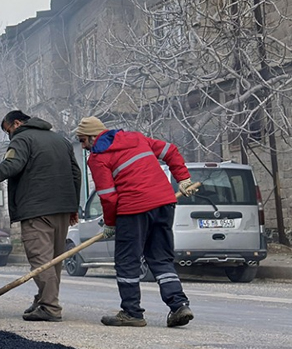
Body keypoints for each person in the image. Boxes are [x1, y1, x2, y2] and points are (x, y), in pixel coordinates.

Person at [74, 116, 200, 328]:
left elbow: (108, 196)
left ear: (94, 137)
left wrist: (111, 224)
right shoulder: (136, 138)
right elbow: (170, 151)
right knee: (160, 258)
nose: (83, 146)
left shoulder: (98, 158)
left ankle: (132, 313)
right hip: (164, 204)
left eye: (83, 140)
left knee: (127, 261)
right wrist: (183, 178)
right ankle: (178, 305)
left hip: (133, 210)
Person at [0, 109, 82, 322]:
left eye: (8, 131)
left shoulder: (22, 139)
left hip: (36, 210)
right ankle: (44, 300)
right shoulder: (60, 140)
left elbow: (11, 165)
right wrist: (73, 207)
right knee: (53, 261)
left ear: (16, 123)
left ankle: (50, 307)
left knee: (41, 259)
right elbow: (75, 173)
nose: (9, 136)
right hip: (62, 209)